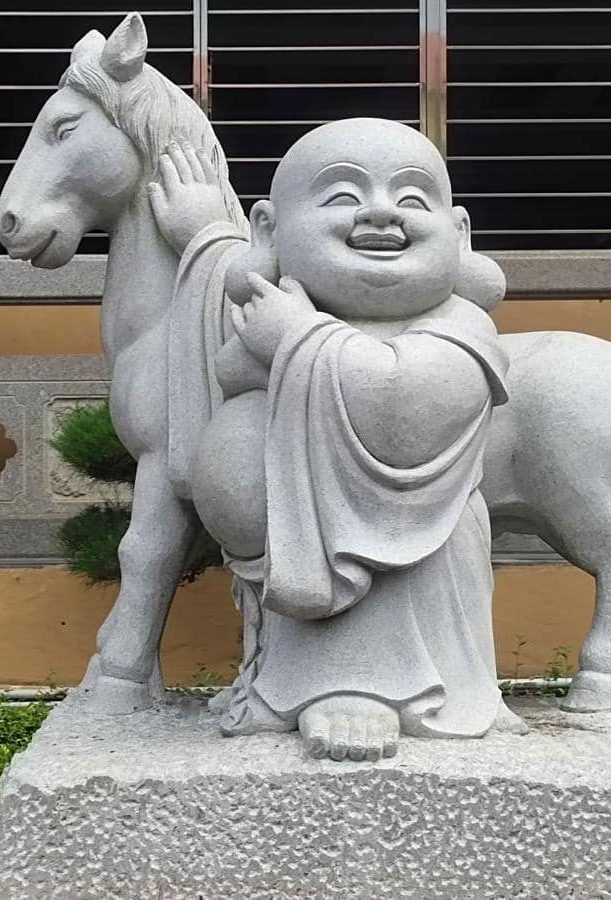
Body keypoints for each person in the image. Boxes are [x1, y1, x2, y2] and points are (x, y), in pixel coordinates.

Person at [153, 119, 516, 761]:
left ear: (459, 234)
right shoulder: (281, 313)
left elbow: (402, 409)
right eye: (343, 196)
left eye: (412, 198)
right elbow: (223, 367)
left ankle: (370, 684)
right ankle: (285, 679)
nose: (380, 212)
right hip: (284, 559)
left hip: (416, 534)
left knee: (402, 546)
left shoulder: (461, 326)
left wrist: (296, 338)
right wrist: (213, 248)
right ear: (268, 231)